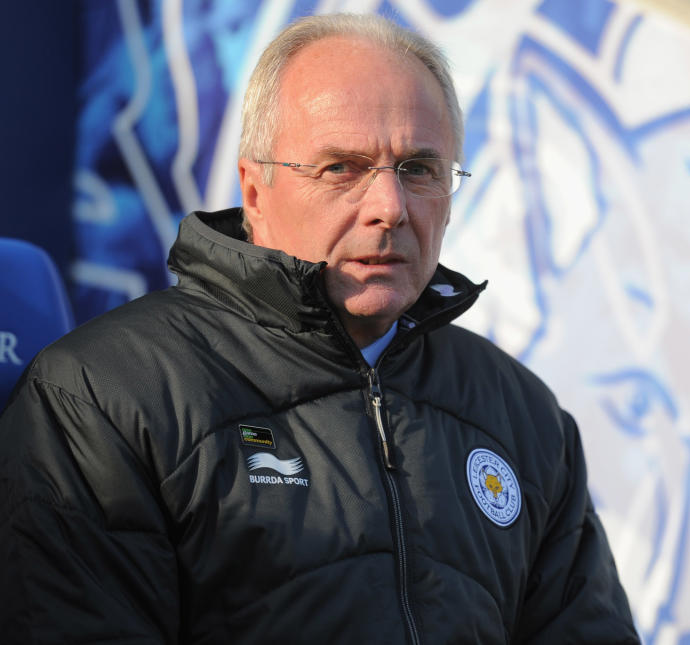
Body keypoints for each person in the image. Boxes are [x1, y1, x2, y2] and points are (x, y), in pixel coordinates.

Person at [0, 13, 639, 644]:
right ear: (255, 190)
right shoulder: (104, 396)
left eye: (419, 169)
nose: (389, 208)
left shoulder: (522, 415)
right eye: (341, 167)